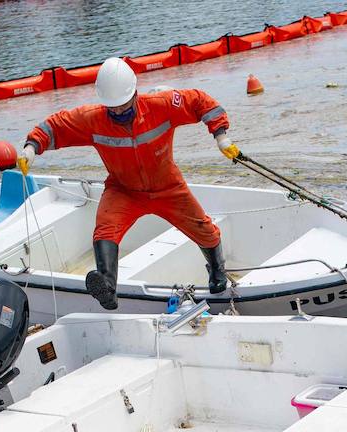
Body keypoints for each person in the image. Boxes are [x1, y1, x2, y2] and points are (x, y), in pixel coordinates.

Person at [21, 57, 239, 310]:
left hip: (168, 188)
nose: (118, 113)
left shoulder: (162, 105)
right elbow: (55, 125)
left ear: (135, 93)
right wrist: (31, 148)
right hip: (123, 190)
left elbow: (202, 102)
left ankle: (217, 273)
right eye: (112, 109)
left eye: (123, 107)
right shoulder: (92, 119)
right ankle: (107, 288)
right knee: (105, 230)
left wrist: (221, 136)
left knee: (205, 230)